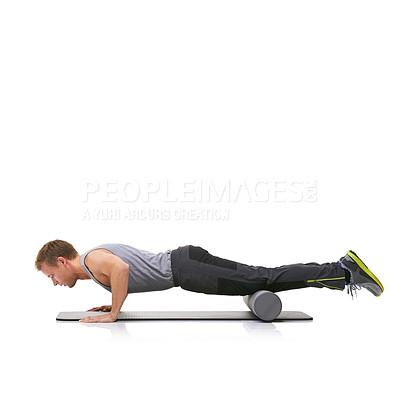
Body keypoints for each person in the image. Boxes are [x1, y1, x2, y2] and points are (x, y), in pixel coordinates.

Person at [35, 240, 384, 323]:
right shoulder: (94, 267)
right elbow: (125, 272)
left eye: (52, 275)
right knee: (263, 276)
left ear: (63, 261)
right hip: (186, 263)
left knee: (264, 278)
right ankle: (340, 270)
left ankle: (343, 271)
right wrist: (113, 303)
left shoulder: (93, 259)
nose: (54, 282)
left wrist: (114, 314)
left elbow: (123, 270)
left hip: (186, 269)